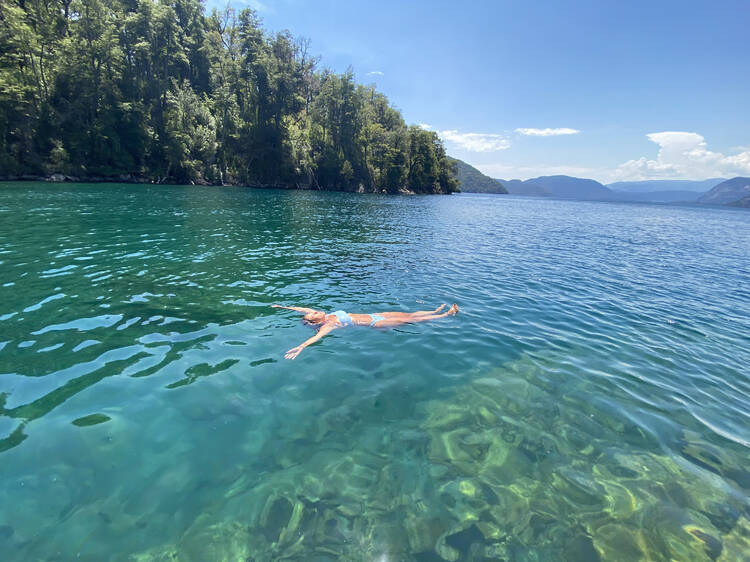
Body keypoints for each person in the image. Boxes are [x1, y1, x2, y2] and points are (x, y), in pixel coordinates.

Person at [271, 303, 459, 359]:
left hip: (376, 314)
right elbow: (317, 337)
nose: (315, 310)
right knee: (408, 320)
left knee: (408, 314)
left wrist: (282, 307)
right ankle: (446, 316)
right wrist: (301, 347)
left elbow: (303, 311)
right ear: (316, 320)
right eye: (315, 313)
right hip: (374, 324)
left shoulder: (323, 315)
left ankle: (435, 311)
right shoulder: (327, 325)